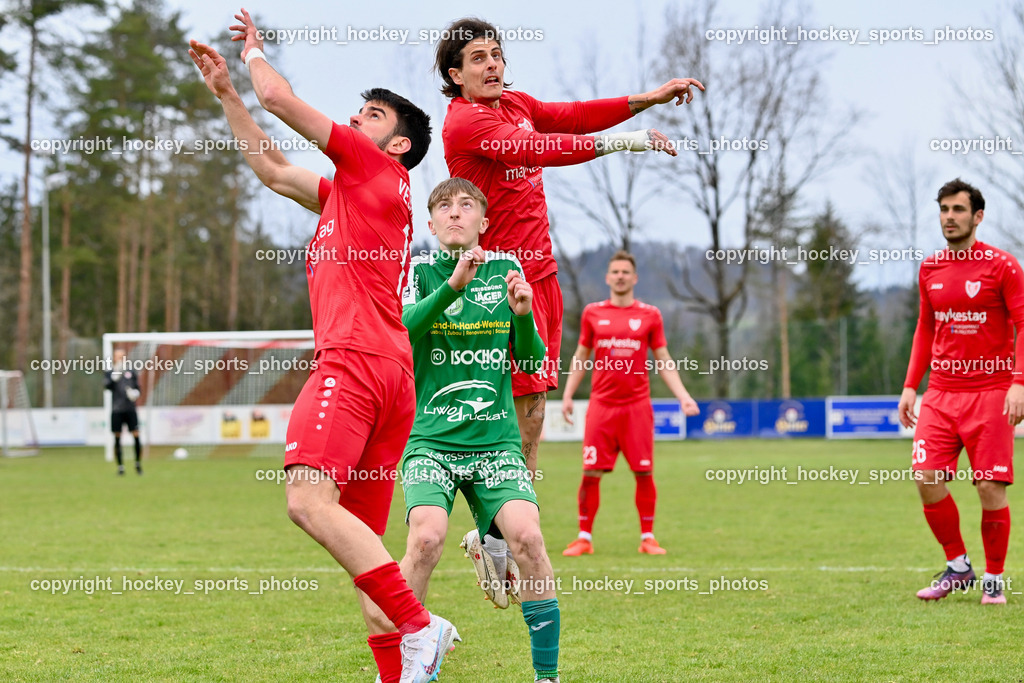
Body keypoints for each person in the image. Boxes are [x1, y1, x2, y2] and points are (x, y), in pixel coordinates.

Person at [189, 12, 457, 680]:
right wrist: (227, 96)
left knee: (305, 500)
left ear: (395, 144)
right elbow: (275, 171)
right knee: (369, 575)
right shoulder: (358, 190)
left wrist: (254, 52)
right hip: (389, 375)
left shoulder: (372, 168)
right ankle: (400, 667)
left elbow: (279, 100)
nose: (355, 120)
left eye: (369, 115)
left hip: (356, 364)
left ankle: (425, 626)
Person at [434, 14, 704, 580]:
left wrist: (648, 99)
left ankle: (496, 538)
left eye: (497, 54)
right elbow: (550, 147)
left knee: (530, 418)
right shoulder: (464, 123)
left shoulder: (516, 103)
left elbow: (575, 116)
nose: (492, 65)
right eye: (478, 58)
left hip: (541, 284)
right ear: (455, 74)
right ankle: (466, 520)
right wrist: (629, 141)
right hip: (489, 284)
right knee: (487, 418)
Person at [363, 177, 561, 683]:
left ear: (484, 221)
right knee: (426, 539)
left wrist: (521, 317)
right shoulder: (420, 270)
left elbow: (532, 360)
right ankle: (411, 658)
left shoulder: (507, 270)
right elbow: (403, 327)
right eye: (444, 207)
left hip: (496, 442)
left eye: (466, 205)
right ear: (429, 223)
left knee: (531, 540)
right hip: (430, 439)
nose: (456, 213)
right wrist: (453, 286)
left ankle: (547, 676)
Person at [898, 179, 1024, 605]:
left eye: (957, 209)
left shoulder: (1003, 267)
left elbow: (1023, 325)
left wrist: (1018, 382)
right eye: (944, 209)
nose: (949, 217)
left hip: (991, 390)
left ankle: (993, 578)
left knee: (990, 488)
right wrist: (910, 386)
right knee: (926, 478)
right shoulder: (930, 269)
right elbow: (925, 329)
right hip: (941, 394)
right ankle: (957, 567)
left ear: (977, 216)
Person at [560, 251, 700, 555]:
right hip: (602, 407)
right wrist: (568, 394)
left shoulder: (650, 315)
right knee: (590, 472)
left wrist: (683, 396)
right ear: (608, 277)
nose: (621, 276)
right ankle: (584, 537)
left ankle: (647, 537)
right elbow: (581, 356)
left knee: (644, 472)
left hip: (637, 407)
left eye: (626, 272)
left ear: (634, 278)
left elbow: (663, 359)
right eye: (616, 271)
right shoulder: (592, 313)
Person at [105, 349, 142, 476]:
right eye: (117, 356)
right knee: (117, 437)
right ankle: (120, 467)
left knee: (136, 434)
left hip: (130, 409)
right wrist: (113, 379)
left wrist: (135, 393)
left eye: (122, 356)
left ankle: (138, 464)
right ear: (114, 358)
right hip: (117, 410)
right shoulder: (110, 373)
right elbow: (107, 386)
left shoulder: (131, 372)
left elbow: (138, 388)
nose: (120, 359)